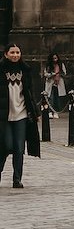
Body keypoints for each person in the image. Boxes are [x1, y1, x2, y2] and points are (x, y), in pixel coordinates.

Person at [3, 43, 42, 188]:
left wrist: (35, 112)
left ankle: (17, 179)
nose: (15, 55)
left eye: (17, 52)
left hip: (21, 114)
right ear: (6, 54)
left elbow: (30, 93)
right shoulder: (1, 70)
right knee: (7, 145)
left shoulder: (25, 70)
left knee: (19, 148)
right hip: (4, 116)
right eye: (12, 52)